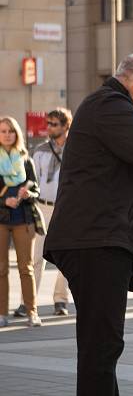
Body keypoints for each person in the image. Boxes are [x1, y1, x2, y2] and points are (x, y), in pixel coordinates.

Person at [44, 53, 133, 395]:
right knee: (102, 345)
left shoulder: (112, 108)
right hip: (94, 242)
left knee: (104, 344)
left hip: (99, 240)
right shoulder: (110, 105)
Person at [26, 108, 71, 317]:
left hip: (66, 209)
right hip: (42, 207)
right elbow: (33, 179)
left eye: (54, 124)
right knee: (36, 257)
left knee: (65, 257)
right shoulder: (40, 150)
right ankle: (30, 301)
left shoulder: (76, 150)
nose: (49, 128)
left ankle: (61, 300)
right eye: (49, 123)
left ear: (65, 126)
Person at [0, 116, 45, 328]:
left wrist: (28, 194)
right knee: (0, 269)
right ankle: (1, 314)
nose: (7, 135)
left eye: (10, 131)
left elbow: (36, 188)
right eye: (3, 131)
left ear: (16, 134)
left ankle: (32, 312)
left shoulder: (26, 159)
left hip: (24, 219)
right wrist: (3, 199)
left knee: (26, 268)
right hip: (1, 219)